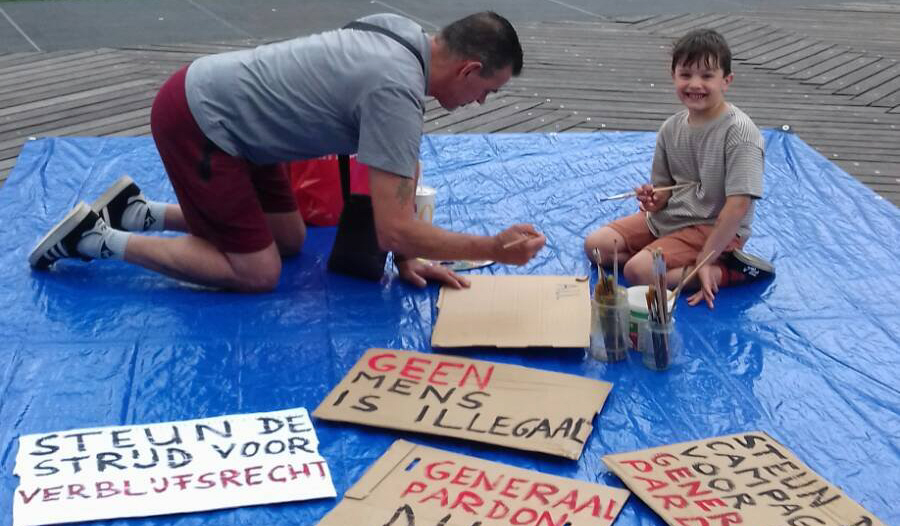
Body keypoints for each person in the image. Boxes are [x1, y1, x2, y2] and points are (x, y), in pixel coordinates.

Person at [29, 12, 545, 291]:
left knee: (289, 240)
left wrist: (409, 255)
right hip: (200, 122)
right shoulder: (395, 91)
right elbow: (391, 225)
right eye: (488, 93)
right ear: (469, 70)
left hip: (242, 119)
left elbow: (396, 166)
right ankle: (95, 239)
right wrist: (492, 249)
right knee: (256, 271)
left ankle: (140, 212)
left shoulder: (402, 32)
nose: (480, 103)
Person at [584, 28, 773, 309]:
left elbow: (737, 207)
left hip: (714, 226)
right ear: (673, 76)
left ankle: (725, 270)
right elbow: (663, 192)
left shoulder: (740, 133)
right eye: (686, 75)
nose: (695, 84)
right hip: (672, 219)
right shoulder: (671, 128)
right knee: (597, 247)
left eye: (707, 76)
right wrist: (653, 199)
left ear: (726, 81)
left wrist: (705, 258)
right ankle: (667, 259)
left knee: (638, 273)